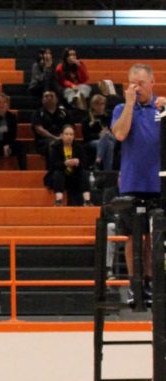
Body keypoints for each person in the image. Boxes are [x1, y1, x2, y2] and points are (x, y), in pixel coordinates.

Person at [111, 63, 166, 308]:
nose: (137, 87)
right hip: (133, 182)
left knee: (153, 238)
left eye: (142, 83)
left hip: (158, 182)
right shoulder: (122, 108)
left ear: (152, 83)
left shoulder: (161, 108)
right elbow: (120, 134)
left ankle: (153, 282)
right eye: (133, 83)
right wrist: (131, 104)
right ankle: (135, 284)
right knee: (133, 237)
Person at [44, 125, 92, 206]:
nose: (69, 136)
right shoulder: (55, 147)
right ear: (61, 135)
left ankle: (87, 201)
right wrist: (64, 164)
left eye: (71, 134)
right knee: (58, 173)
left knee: (83, 173)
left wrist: (78, 162)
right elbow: (52, 165)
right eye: (66, 134)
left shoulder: (78, 147)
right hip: (60, 177)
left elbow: (85, 163)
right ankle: (58, 201)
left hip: (74, 177)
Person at [83, 94, 117, 171]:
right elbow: (86, 136)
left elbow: (114, 130)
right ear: (93, 105)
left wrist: (105, 133)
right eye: (97, 104)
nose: (100, 106)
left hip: (111, 137)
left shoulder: (108, 116)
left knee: (107, 135)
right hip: (94, 141)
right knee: (109, 144)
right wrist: (99, 135)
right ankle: (108, 172)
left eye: (102, 104)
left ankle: (97, 161)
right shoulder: (87, 118)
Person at [31, 90, 69, 156]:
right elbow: (39, 130)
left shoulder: (64, 112)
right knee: (54, 144)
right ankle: (53, 166)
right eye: (46, 96)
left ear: (57, 99)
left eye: (51, 96)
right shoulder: (37, 113)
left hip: (62, 138)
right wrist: (55, 138)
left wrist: (63, 136)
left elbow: (69, 126)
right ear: (42, 100)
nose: (49, 98)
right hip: (44, 141)